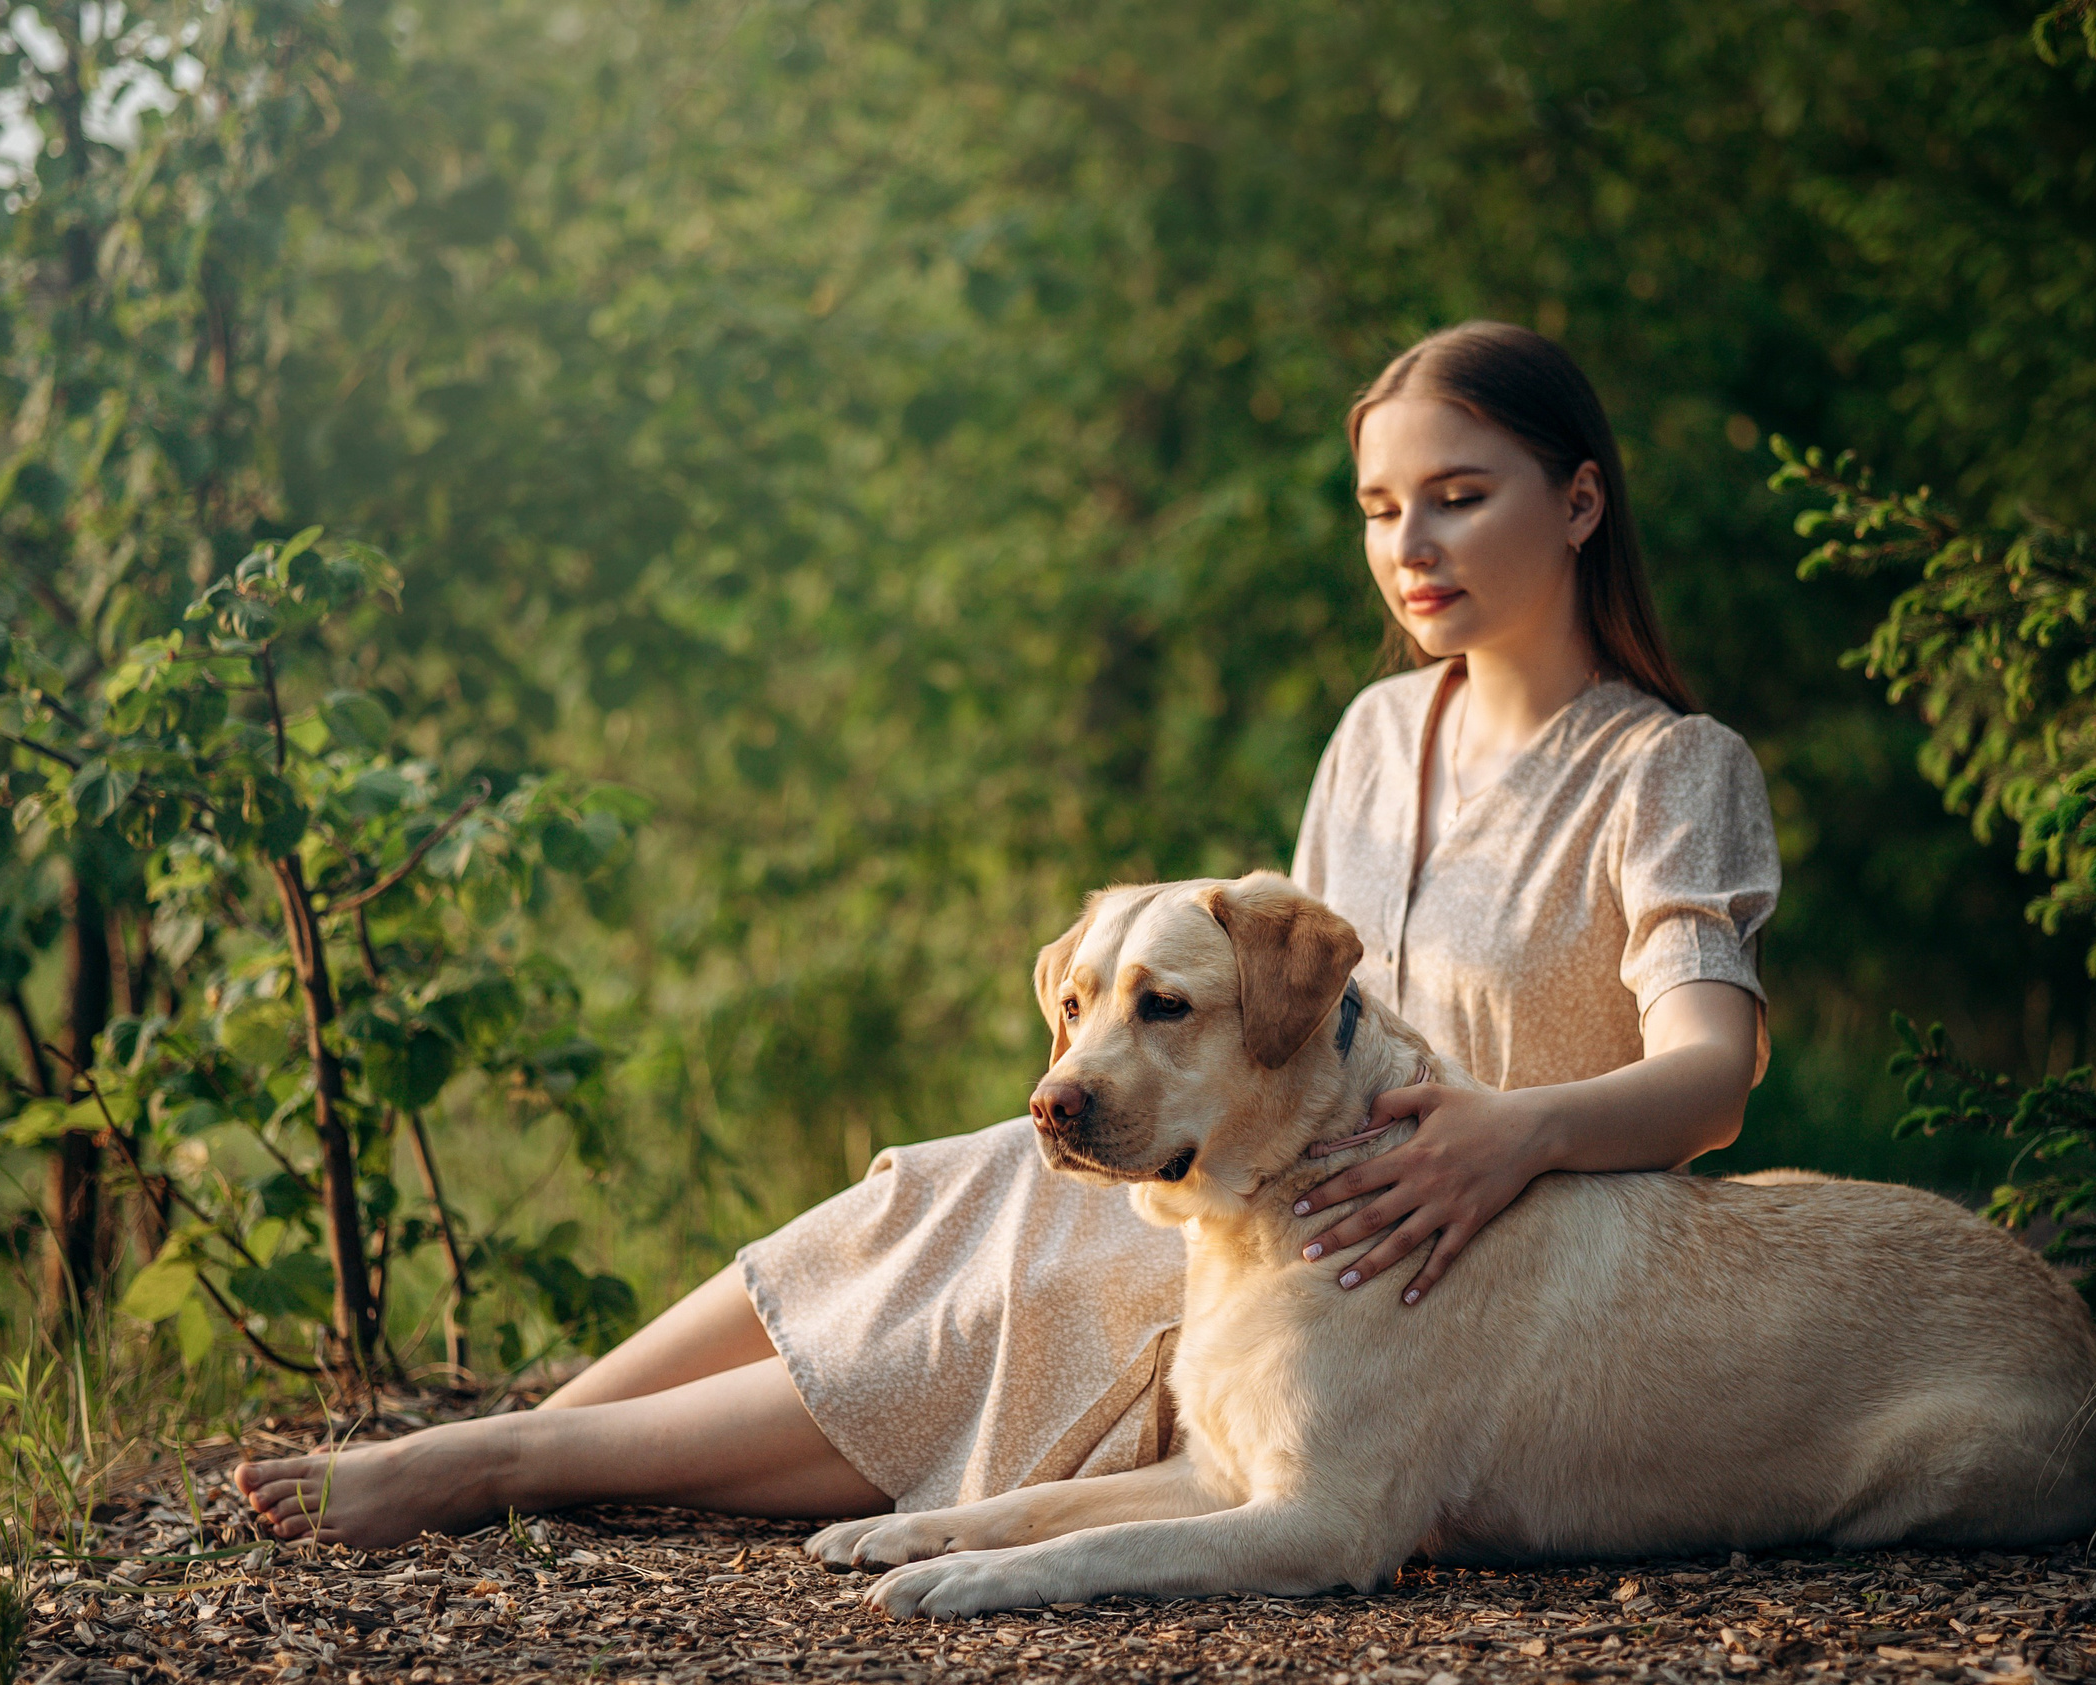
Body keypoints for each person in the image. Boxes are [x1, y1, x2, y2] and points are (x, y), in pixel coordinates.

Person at [234, 321, 1779, 1548]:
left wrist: (1515, 1134)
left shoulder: (1668, 769)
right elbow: (1283, 1023)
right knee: (966, 1181)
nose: (1410, 545)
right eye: (1381, 508)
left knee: (1037, 1280)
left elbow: (1712, 1078)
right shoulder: (1379, 732)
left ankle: (513, 1467)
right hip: (1274, 1198)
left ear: (1580, 503)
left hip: (1472, 1268)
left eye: (1460, 495)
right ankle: (531, 1433)